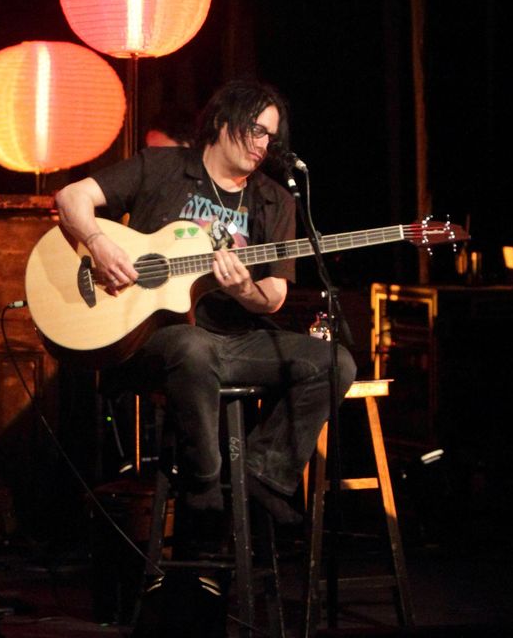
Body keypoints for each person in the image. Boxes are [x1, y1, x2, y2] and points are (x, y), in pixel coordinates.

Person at [53, 79, 355, 551]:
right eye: (256, 130)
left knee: (335, 362)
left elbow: (273, 297)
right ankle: (204, 486)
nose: (264, 145)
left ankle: (261, 475)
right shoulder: (163, 167)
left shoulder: (274, 200)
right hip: (154, 335)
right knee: (191, 347)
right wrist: (99, 244)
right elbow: (71, 198)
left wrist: (245, 290)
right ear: (222, 121)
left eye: (271, 137)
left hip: (233, 340)